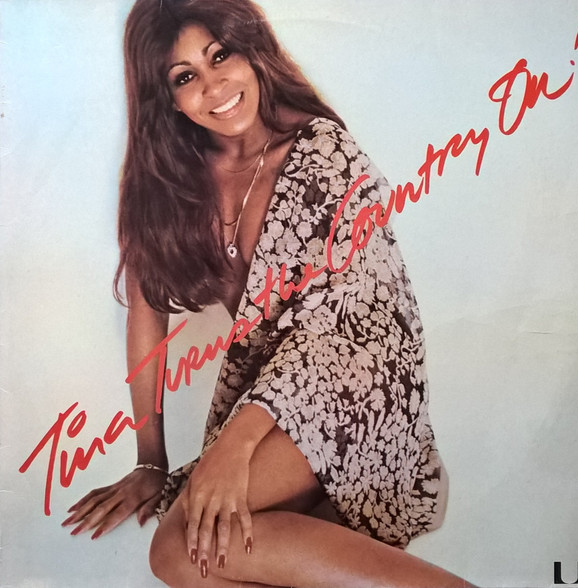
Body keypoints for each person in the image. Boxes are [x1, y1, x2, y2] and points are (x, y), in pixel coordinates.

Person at [63, 0, 473, 586]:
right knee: (188, 556)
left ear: (251, 49)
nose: (214, 86)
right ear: (167, 98)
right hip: (270, 396)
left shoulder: (324, 153)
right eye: (185, 77)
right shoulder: (173, 179)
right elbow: (147, 310)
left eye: (220, 55)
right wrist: (150, 459)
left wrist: (235, 445)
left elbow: (341, 326)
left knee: (178, 548)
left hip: (359, 384)